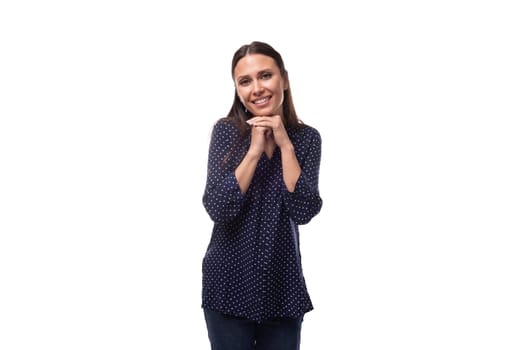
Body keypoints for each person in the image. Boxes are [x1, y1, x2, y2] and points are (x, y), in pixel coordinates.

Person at [201, 41, 323, 350]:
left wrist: (285, 145)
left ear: (283, 78)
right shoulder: (226, 132)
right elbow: (218, 207)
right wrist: (255, 150)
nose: (257, 88)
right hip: (228, 284)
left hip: (282, 288)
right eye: (245, 81)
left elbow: (304, 210)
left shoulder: (306, 139)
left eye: (265, 75)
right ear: (238, 90)